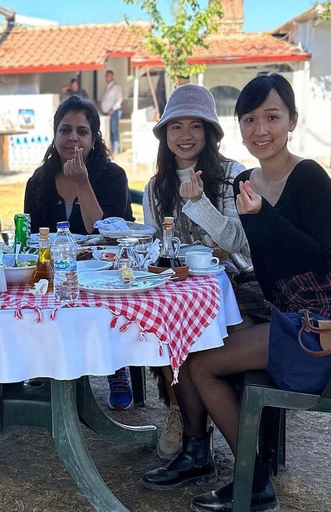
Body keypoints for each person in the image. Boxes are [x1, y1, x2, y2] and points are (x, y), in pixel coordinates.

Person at [181, 74, 331, 512]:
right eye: (249, 119)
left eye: (272, 117)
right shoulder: (247, 180)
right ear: (240, 126)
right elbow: (243, 244)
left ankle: (255, 482)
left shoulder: (311, 177)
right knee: (195, 343)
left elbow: (320, 256)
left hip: (325, 323)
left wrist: (264, 217)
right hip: (284, 308)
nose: (260, 129)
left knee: (202, 364)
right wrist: (197, 203)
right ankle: (199, 454)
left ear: (292, 121)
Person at [140, 84, 268, 463]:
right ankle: (184, 419)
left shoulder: (232, 175)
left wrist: (198, 203)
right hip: (184, 290)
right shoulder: (156, 186)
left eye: (196, 126)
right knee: (163, 331)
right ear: (164, 134)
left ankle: (205, 439)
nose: (185, 136)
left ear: (209, 133)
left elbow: (238, 243)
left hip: (242, 289)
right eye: (176, 126)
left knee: (191, 343)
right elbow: (155, 243)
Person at [23, 95, 134, 409]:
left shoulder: (112, 176)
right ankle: (45, 364)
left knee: (105, 301)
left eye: (82, 131)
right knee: (33, 293)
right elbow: (34, 237)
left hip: (101, 267)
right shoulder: (38, 181)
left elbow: (106, 234)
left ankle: (116, 367)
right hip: (54, 269)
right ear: (55, 136)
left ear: (93, 138)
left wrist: (83, 184)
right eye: (65, 130)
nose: (72, 137)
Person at [99, 70, 123, 154]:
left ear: (112, 76)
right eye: (106, 76)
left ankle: (116, 148)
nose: (107, 77)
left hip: (114, 112)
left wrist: (112, 109)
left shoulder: (116, 87)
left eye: (109, 75)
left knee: (114, 129)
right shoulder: (107, 87)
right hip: (106, 113)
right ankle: (111, 148)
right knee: (107, 130)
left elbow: (119, 100)